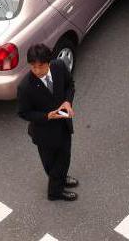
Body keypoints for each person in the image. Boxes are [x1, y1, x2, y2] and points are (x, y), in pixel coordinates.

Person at [17, 44, 78, 201]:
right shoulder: (25, 87)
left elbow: (70, 85)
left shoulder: (59, 66)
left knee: (65, 156)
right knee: (51, 163)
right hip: (44, 132)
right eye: (33, 67)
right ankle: (55, 193)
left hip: (63, 124)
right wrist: (46, 116)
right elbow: (23, 113)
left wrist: (67, 102)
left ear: (49, 62)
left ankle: (61, 178)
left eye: (41, 66)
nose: (37, 71)